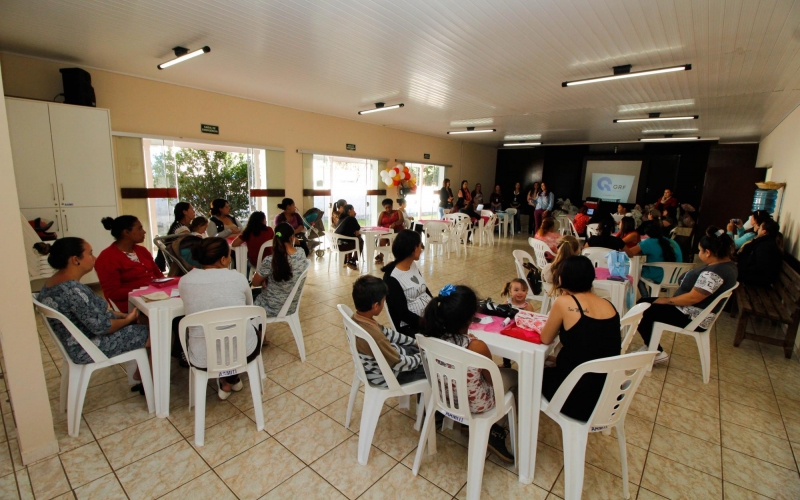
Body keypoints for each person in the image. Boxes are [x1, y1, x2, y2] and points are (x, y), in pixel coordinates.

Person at [421, 284, 517, 462]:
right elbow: (492, 381)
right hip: (475, 405)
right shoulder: (476, 346)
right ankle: (496, 428)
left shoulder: (433, 339)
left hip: (444, 396)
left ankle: (469, 427)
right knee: (513, 377)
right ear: (471, 317)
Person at [37, 237, 149, 366]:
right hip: (87, 347)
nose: (94, 258)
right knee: (155, 331)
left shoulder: (52, 283)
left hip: (77, 343)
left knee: (143, 322)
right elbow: (103, 327)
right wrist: (127, 320)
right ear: (75, 260)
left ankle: (142, 375)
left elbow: (92, 315)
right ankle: (151, 380)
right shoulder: (73, 290)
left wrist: (124, 316)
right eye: (90, 253)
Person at [635, 229, 738, 364]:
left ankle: (657, 352)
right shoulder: (728, 265)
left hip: (692, 315)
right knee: (643, 301)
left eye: (700, 251)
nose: (699, 253)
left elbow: (693, 298)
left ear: (708, 252)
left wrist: (666, 300)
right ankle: (651, 345)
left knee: (642, 311)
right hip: (695, 311)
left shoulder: (714, 273)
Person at [540, 256, 621, 421]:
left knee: (531, 374)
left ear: (563, 278)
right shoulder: (609, 305)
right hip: (606, 394)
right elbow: (592, 346)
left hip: (576, 397)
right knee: (550, 362)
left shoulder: (564, 302)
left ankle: (525, 428)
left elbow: (546, 338)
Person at [178, 237, 260, 399]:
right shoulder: (238, 278)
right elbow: (249, 308)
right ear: (223, 260)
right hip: (244, 350)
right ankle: (230, 379)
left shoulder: (185, 281)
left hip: (203, 356)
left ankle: (227, 380)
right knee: (249, 329)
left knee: (213, 335)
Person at [351, 275, 426, 386]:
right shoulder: (375, 336)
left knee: (415, 350)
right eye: (383, 301)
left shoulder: (359, 319)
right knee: (433, 368)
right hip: (389, 376)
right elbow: (399, 363)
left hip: (376, 368)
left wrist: (415, 342)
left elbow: (389, 333)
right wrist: (423, 357)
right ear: (376, 306)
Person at [95, 215, 164, 313]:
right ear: (126, 232)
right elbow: (113, 293)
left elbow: (158, 275)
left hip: (155, 298)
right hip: (132, 307)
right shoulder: (107, 258)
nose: (144, 232)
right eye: (140, 228)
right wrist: (145, 290)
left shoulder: (142, 251)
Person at [252, 223, 310, 316]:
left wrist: (264, 279)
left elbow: (255, 283)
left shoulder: (271, 260)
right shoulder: (301, 253)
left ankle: (255, 328)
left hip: (271, 308)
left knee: (248, 295)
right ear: (292, 237)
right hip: (291, 306)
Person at [382, 230, 431, 334]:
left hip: (426, 318)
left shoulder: (412, 265)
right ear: (413, 249)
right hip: (409, 327)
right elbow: (402, 313)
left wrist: (436, 306)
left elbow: (424, 289)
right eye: (420, 246)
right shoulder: (392, 278)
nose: (421, 249)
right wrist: (427, 324)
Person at [625, 225, 683, 297]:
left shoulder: (649, 242)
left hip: (658, 276)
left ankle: (645, 296)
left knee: (637, 271)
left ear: (648, 234)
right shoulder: (673, 242)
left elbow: (630, 253)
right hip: (675, 277)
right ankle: (650, 296)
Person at [737, 218, 783, 287]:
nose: (758, 229)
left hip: (760, 279)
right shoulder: (765, 243)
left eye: (760, 227)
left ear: (764, 231)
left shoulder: (765, 246)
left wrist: (741, 269)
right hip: (760, 277)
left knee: (730, 273)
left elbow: (760, 268)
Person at [155, 202, 196, 271]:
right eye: (191, 209)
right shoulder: (181, 229)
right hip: (183, 261)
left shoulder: (181, 226)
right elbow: (191, 245)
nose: (194, 211)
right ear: (185, 212)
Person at [333, 204, 363, 270]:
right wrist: (354, 217)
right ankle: (353, 261)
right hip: (344, 245)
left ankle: (348, 260)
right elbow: (358, 227)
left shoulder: (340, 219)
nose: (354, 211)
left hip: (336, 244)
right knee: (360, 240)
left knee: (353, 239)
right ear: (349, 210)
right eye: (353, 210)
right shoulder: (351, 218)